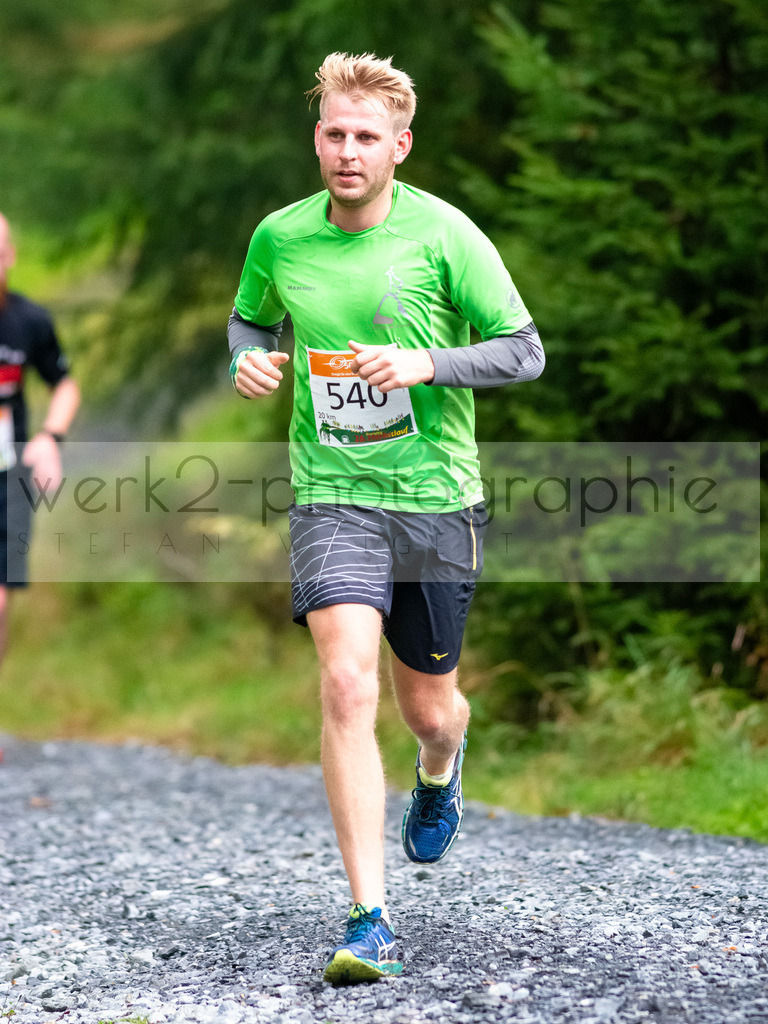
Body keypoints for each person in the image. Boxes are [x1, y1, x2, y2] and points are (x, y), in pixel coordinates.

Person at [228, 52, 544, 984]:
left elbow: (523, 351)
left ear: (400, 146)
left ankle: (441, 767)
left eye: (367, 136)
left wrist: (426, 366)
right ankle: (370, 916)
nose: (348, 151)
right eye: (334, 133)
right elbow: (251, 321)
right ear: (315, 137)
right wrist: (245, 362)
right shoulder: (279, 238)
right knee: (345, 685)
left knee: (429, 707)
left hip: (437, 498)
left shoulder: (446, 235)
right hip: (333, 494)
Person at [0, 213, 80, 668]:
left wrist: (50, 437)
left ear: (9, 256)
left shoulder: (29, 321)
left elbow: (64, 384)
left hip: (8, 479)